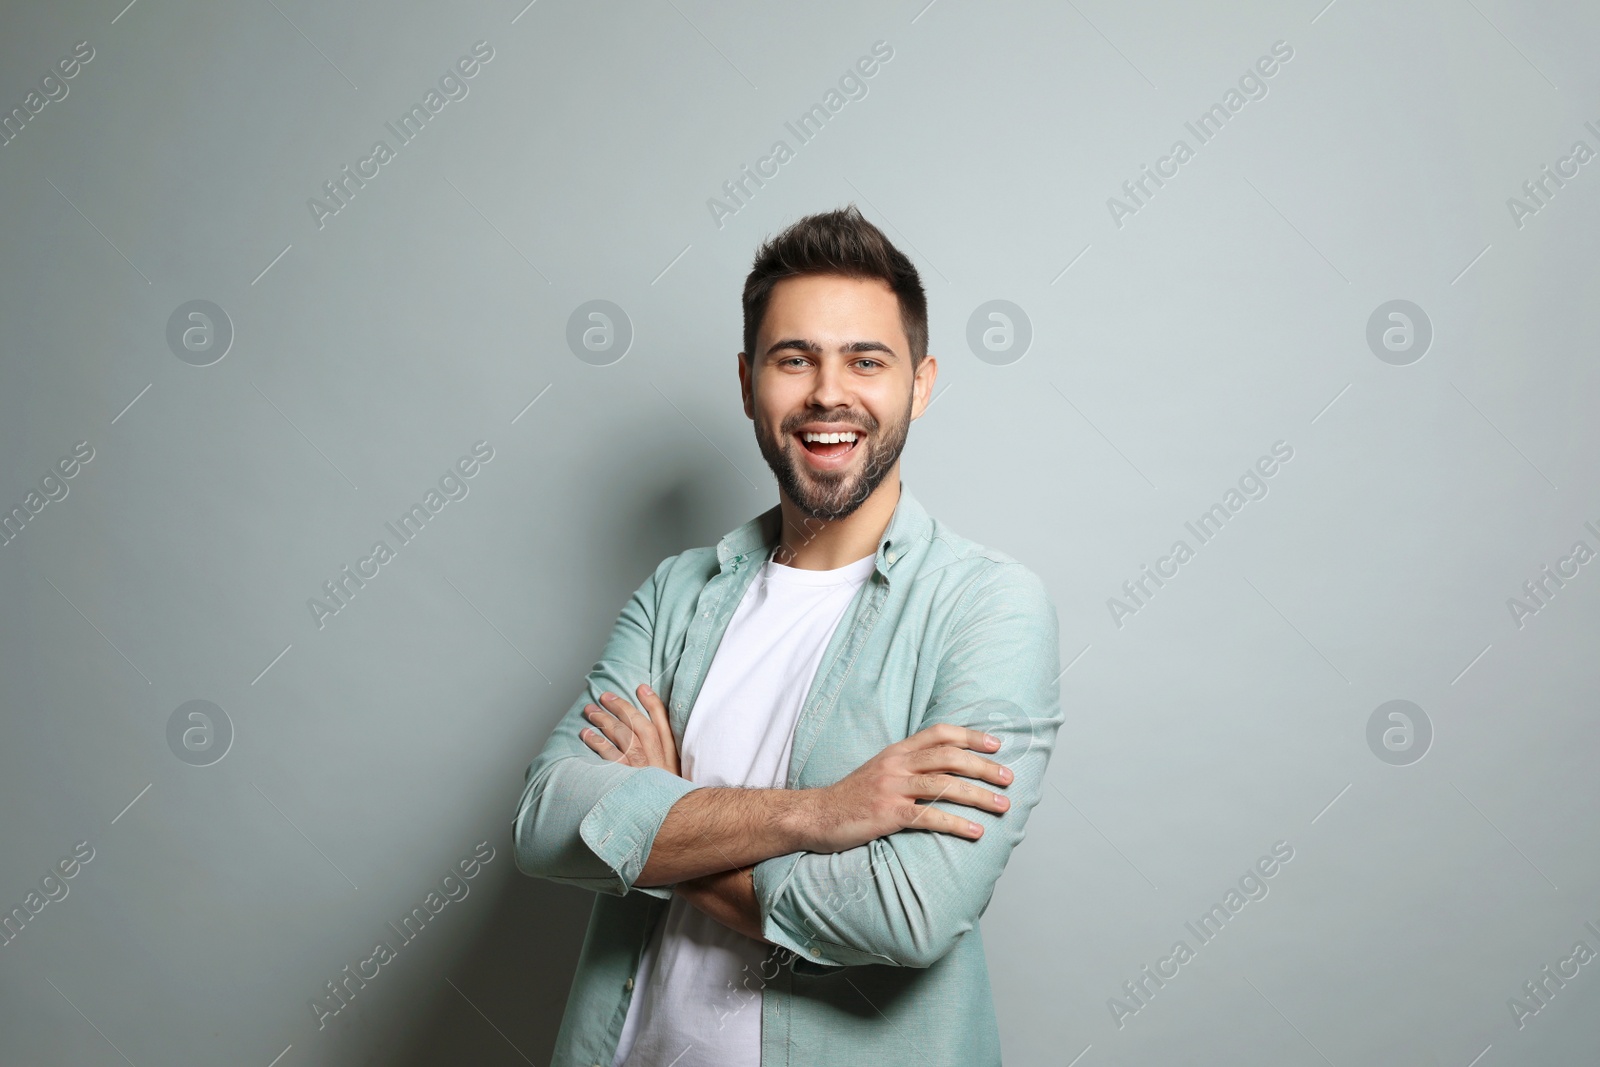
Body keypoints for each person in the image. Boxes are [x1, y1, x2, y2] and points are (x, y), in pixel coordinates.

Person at [513, 205, 1062, 1066]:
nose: (827, 393)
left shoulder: (989, 609)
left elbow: (905, 913)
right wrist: (820, 813)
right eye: (793, 358)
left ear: (919, 383)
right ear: (747, 383)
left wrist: (655, 817)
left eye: (865, 360)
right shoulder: (678, 591)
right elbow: (545, 821)